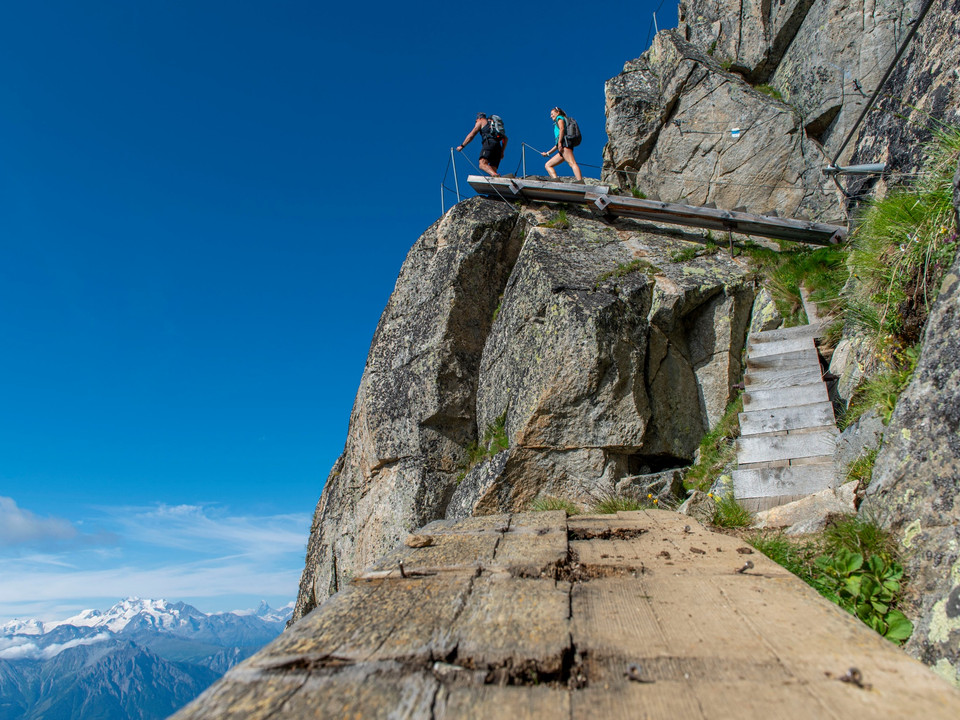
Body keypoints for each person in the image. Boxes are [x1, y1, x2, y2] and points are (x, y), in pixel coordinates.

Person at [541, 107, 582, 180]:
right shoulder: (559, 119)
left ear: (558, 112)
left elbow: (562, 129)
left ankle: (580, 180)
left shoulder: (559, 118)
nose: (551, 116)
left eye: (552, 114)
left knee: (572, 163)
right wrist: (547, 153)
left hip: (565, 145)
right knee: (548, 165)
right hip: (563, 146)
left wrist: (560, 142)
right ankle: (556, 180)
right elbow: (557, 145)